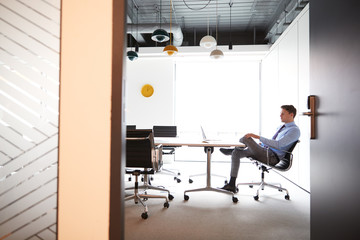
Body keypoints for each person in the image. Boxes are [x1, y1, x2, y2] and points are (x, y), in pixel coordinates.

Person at [219, 105, 301, 193]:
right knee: (236, 153)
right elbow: (273, 142)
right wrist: (261, 144)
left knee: (246, 138)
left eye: (283, 113)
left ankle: (234, 149)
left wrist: (257, 137)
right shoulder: (281, 127)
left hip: (271, 157)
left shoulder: (294, 130)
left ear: (291, 114)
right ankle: (231, 184)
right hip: (266, 151)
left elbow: (279, 145)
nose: (280, 115)